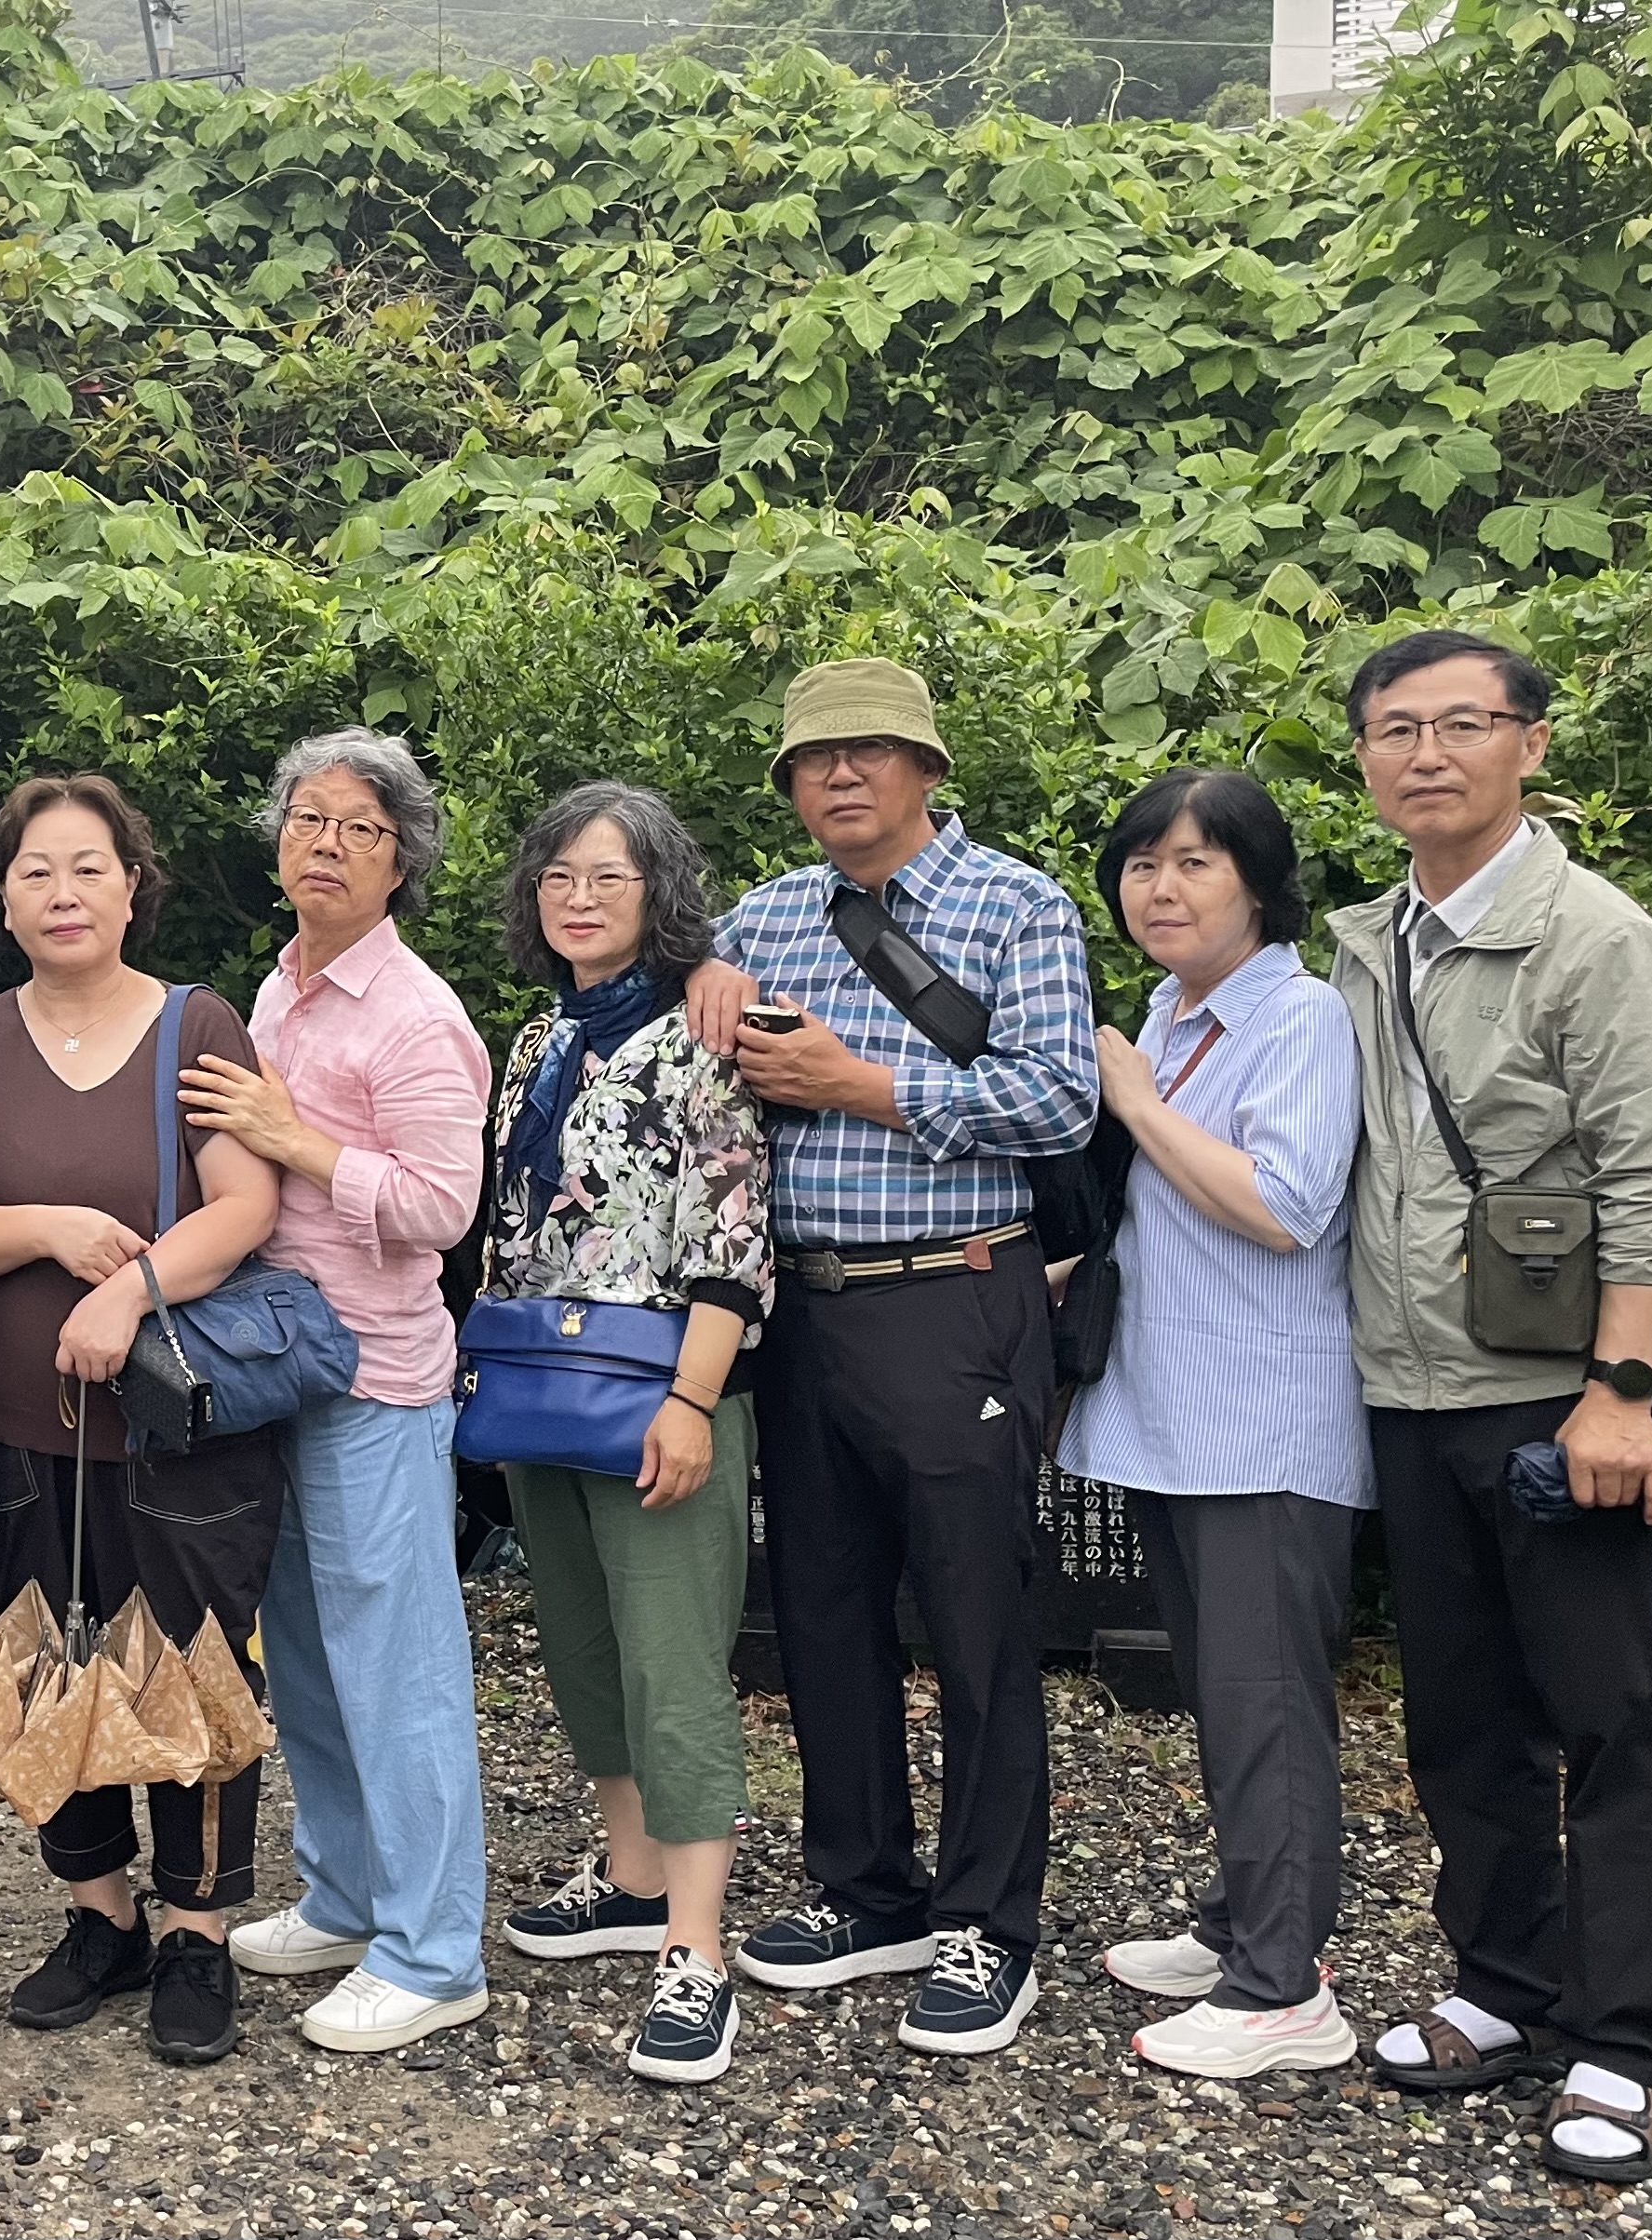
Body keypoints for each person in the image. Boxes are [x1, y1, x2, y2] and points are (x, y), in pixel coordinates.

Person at [1328, 630, 1652, 2184]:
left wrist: (1623, 1389)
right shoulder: (1373, 943)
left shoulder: (1594, 938)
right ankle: (1502, 1984)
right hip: (1413, 1385)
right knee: (1460, 1714)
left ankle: (1624, 2042)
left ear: (1531, 744)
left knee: (1610, 1720)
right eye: (1395, 729)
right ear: (1366, 757)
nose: (1425, 755)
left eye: (1461, 724)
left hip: (1567, 1396)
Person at [684, 656, 1097, 2059]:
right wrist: (703, 978)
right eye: (815, 758)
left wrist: (861, 1085)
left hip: (956, 1292)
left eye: (868, 751)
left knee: (977, 1614)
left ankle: (989, 1922)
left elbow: (1059, 1098)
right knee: (823, 1607)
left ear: (926, 767)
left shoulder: (1016, 905)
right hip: (800, 1308)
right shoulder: (761, 919)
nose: (841, 776)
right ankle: (866, 1889)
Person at [0, 774, 288, 2065]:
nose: (64, 893)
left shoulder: (197, 1024)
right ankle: (102, 1913)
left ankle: (197, 1931)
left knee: (191, 1667)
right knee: (45, 1663)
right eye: (35, 871)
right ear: (2, 899)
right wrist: (43, 1231)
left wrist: (130, 1290)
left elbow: (245, 1205)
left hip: (173, 1426)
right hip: (15, 1423)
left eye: (90, 867)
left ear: (133, 887)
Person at [180, 728, 495, 2056]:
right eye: (308, 818)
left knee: (397, 1665)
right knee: (303, 1653)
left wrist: (294, 1142)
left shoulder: (417, 1014)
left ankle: (434, 1953)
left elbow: (442, 1208)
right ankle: (347, 1895)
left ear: (401, 859)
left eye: (360, 827)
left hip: (377, 1379)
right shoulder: (280, 989)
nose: (326, 844)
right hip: (278, 1373)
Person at [1054, 770, 1370, 2081]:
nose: (1162, 888)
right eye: (1142, 865)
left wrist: (1135, 1103)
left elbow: (1288, 1205)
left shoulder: (1298, 1018)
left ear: (1258, 881)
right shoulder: (1172, 1013)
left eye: (1195, 862)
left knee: (1267, 1705)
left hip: (1263, 1427)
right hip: (1176, 1415)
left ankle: (1284, 1987)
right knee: (1222, 1691)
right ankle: (1245, 1921)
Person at [475, 782, 772, 2087]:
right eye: (558, 876)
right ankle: (634, 1874)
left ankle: (697, 1949)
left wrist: (694, 1402)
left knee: (673, 1662)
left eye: (609, 876)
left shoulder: (700, 1034)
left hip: (662, 1389)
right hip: (540, 1383)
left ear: (660, 896)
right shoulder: (538, 1038)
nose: (579, 897)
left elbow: (734, 1233)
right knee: (585, 1647)